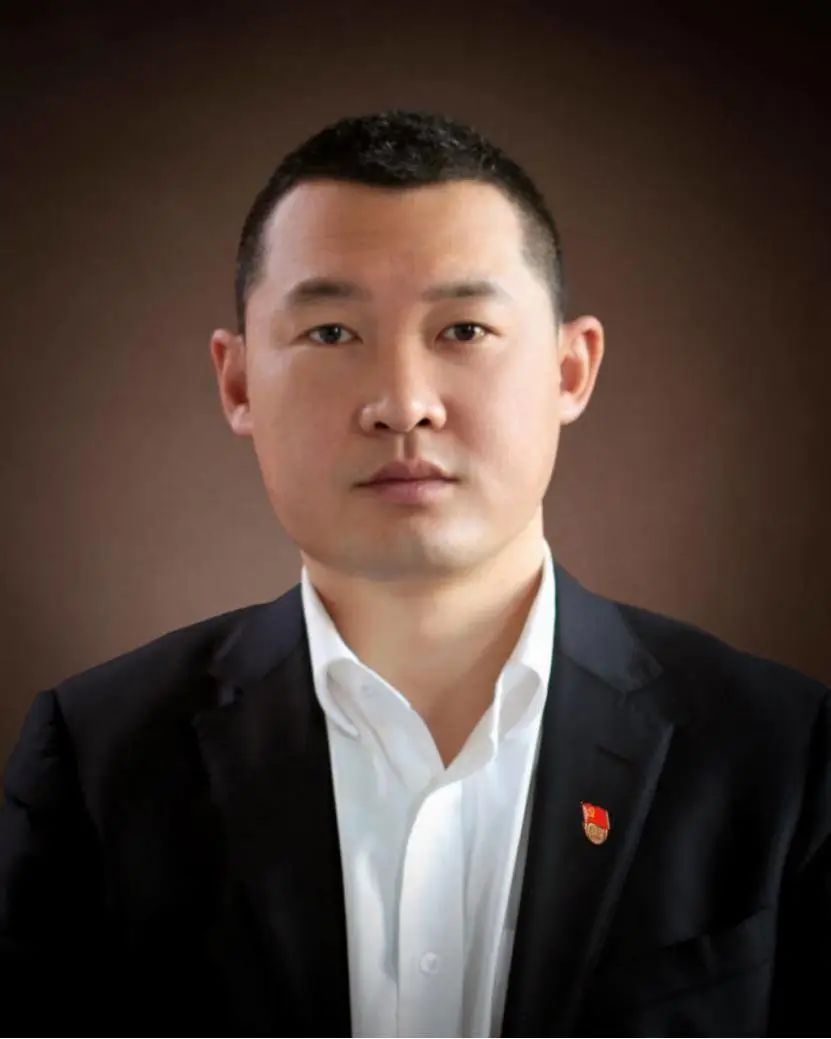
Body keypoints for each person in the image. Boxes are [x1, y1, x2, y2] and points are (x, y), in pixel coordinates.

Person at [0, 108, 828, 1038]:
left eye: (464, 328)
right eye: (330, 333)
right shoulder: (98, 760)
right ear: (237, 383)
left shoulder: (784, 754)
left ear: (570, 369)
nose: (401, 403)